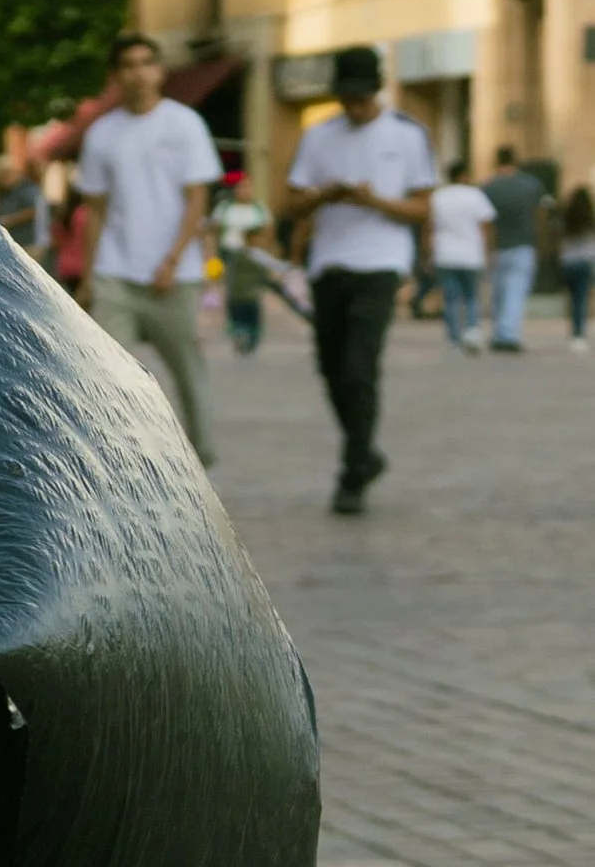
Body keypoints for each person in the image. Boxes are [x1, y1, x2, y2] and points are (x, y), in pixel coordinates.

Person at [279, 46, 437, 515]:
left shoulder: (408, 135)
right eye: (347, 99)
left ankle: (352, 473)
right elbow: (292, 204)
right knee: (330, 366)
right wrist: (325, 196)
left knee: (358, 364)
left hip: (381, 263)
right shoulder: (319, 136)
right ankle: (366, 452)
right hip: (329, 262)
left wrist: (375, 202)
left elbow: (423, 206)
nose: (355, 107)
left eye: (363, 99)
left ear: (378, 90)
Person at [74, 33, 223, 463]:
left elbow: (197, 198)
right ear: (116, 76)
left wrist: (173, 259)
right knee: (103, 373)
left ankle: (202, 456)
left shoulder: (184, 124)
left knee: (187, 369)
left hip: (174, 274)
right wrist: (88, 277)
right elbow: (95, 210)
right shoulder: (102, 133)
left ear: (159, 71)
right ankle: (112, 460)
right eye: (128, 65)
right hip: (115, 273)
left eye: (146, 63)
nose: (138, 73)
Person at [484, 142, 554, 351]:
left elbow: (485, 221)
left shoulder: (489, 186)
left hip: (498, 246)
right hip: (524, 243)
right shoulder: (531, 185)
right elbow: (541, 214)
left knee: (499, 291)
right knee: (516, 290)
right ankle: (508, 334)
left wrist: (487, 247)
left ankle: (499, 332)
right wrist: (541, 241)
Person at [426, 159, 495, 353]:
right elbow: (486, 225)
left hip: (444, 253)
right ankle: (472, 331)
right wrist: (487, 251)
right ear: (464, 175)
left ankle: (453, 338)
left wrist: (428, 253)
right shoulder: (475, 195)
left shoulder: (438, 197)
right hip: (471, 254)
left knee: (450, 298)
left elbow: (429, 226)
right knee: (471, 296)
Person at [210, 173, 272, 354]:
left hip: (253, 257)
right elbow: (214, 232)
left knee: (252, 295)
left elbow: (268, 234)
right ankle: (237, 328)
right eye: (240, 187)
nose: (243, 191)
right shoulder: (225, 208)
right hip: (231, 255)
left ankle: (252, 329)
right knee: (233, 294)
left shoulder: (259, 209)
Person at [561, 184, 595, 352]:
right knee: (581, 299)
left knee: (572, 299)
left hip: (568, 261)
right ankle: (579, 335)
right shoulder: (590, 217)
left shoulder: (567, 216)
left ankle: (574, 332)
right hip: (585, 261)